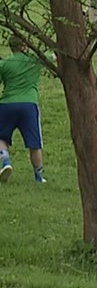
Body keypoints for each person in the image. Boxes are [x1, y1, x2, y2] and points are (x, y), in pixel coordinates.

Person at [0, 35, 49, 183]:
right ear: (25, 46)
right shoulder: (34, 60)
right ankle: (39, 176)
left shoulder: (5, 64)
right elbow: (53, 56)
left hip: (7, 104)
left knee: (1, 137)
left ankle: (5, 160)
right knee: (34, 143)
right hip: (29, 105)